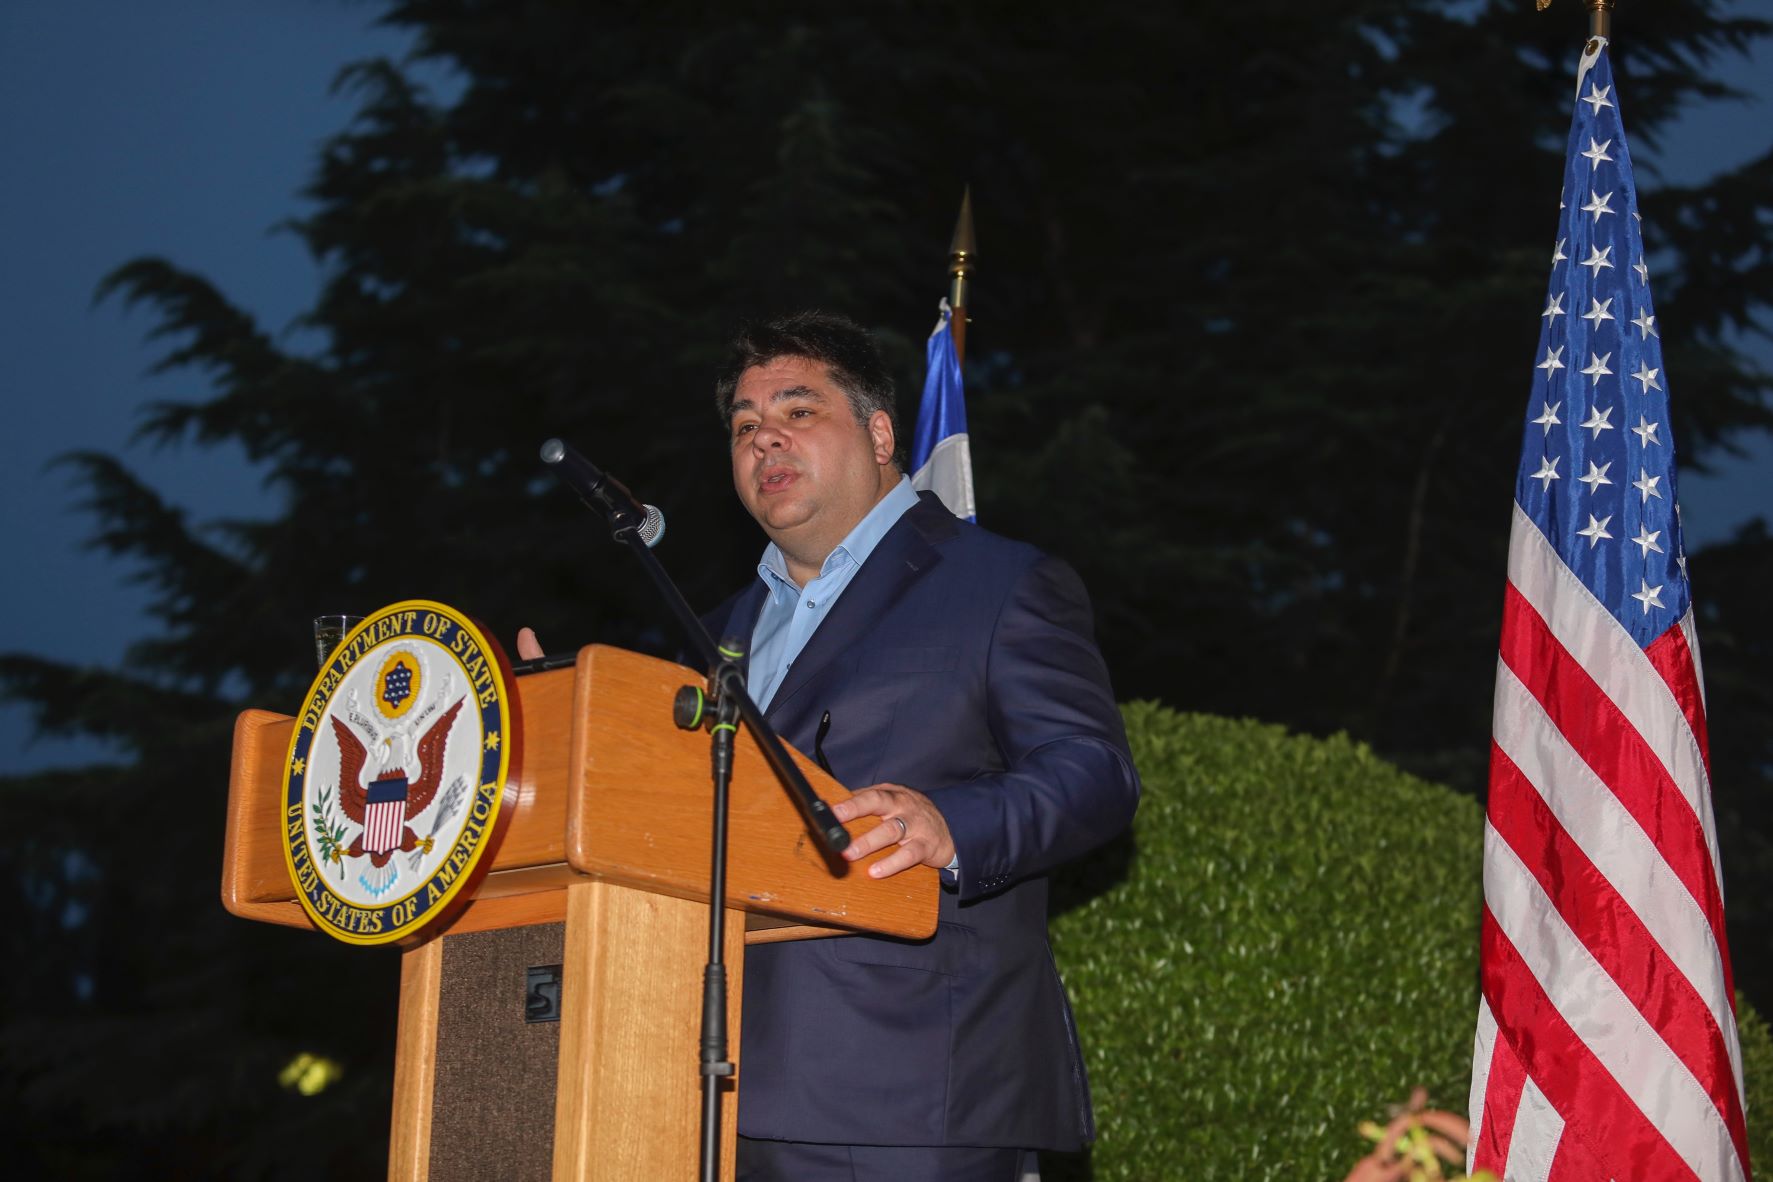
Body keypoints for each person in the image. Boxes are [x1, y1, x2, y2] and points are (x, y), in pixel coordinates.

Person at [521, 310, 1138, 1181]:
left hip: (905, 1092)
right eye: (743, 426)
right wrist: (557, 728)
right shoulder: (714, 635)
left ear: (880, 434)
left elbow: (1093, 772)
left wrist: (949, 826)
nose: (763, 439)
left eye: (798, 411)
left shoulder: (997, 584)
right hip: (702, 1087)